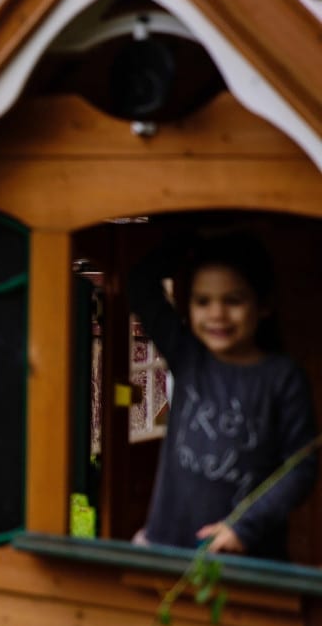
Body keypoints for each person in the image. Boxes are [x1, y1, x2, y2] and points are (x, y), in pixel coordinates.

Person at [128, 230, 317, 559]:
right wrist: (191, 239)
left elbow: (301, 467)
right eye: (203, 301)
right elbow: (140, 284)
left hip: (248, 559)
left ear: (264, 305)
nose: (217, 313)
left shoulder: (283, 378)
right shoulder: (188, 356)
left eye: (233, 300)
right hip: (164, 549)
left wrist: (244, 528)